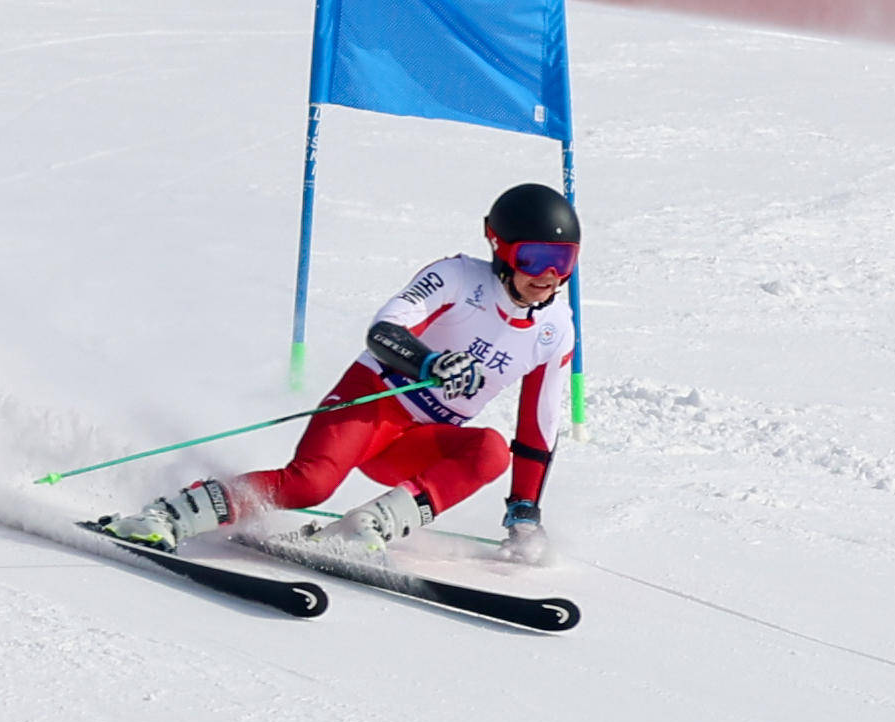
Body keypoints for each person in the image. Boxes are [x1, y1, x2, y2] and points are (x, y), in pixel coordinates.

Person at [96, 183, 579, 565]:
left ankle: (363, 528)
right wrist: (429, 364)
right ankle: (165, 515)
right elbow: (384, 329)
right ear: (499, 247)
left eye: (563, 263)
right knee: (310, 485)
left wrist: (524, 511)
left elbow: (539, 426)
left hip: (420, 437)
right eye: (533, 259)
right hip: (371, 401)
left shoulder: (555, 331)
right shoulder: (457, 278)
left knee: (489, 451)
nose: (548, 276)